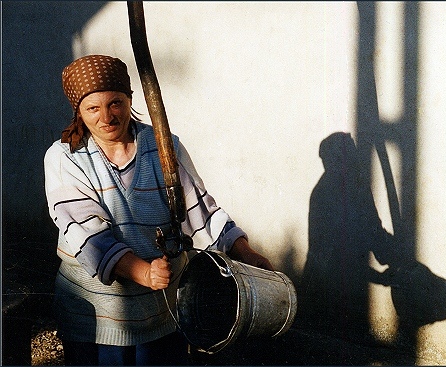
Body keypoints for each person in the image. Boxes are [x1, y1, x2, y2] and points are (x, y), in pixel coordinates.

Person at [44, 54, 274, 366]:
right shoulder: (65, 157)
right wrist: (143, 271)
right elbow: (85, 234)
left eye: (115, 103)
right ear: (79, 112)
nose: (106, 116)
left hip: (163, 310)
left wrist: (246, 253)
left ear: (129, 100)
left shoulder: (162, 145)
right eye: (93, 108)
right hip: (99, 316)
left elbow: (199, 209)